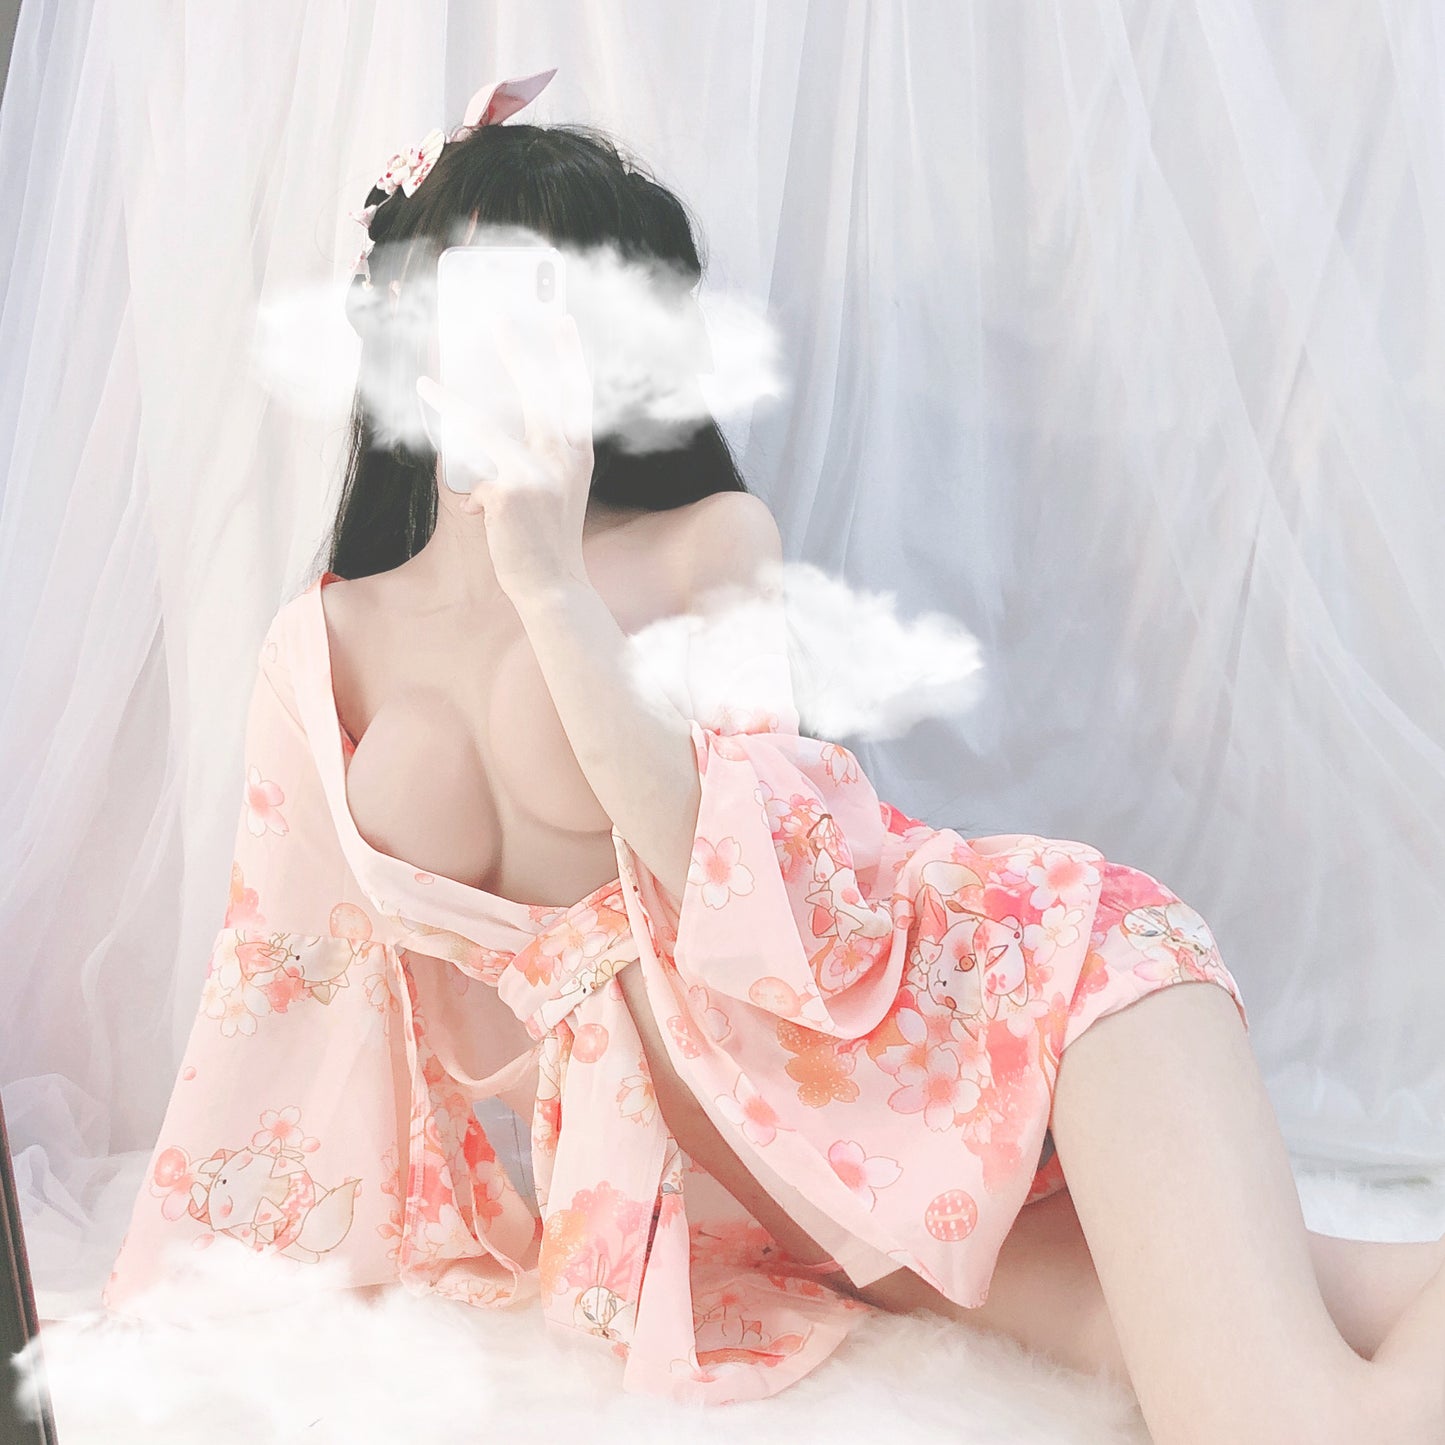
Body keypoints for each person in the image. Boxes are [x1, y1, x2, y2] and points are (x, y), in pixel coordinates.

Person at [102, 70, 1445, 1442]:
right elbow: (282, 991)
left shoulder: (707, 546)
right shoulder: (320, 647)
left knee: (1281, 1424)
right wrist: (195, 1310)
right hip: (818, 1195)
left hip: (1021, 995)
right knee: (1280, 1314)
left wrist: (549, 583)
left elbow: (745, 885)